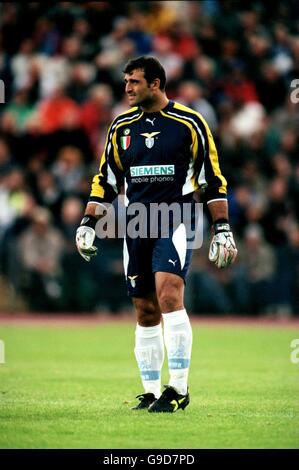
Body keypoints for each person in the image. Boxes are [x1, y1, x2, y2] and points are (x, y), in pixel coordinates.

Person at [76, 56, 237, 412]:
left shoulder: (190, 122)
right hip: (136, 223)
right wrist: (88, 222)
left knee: (168, 295)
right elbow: (105, 180)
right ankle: (150, 391)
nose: (127, 88)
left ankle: (178, 388)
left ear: (156, 83)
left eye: (134, 81)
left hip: (174, 217)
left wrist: (222, 227)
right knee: (145, 309)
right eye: (126, 82)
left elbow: (212, 179)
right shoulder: (120, 127)